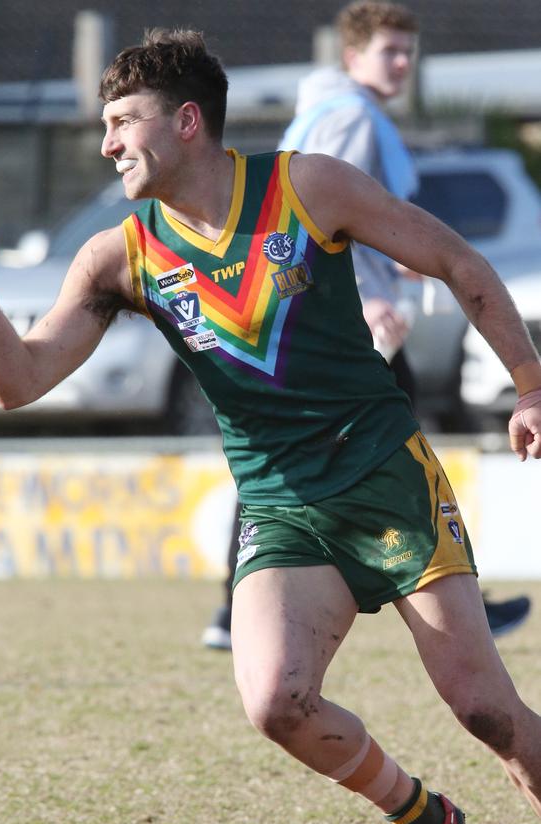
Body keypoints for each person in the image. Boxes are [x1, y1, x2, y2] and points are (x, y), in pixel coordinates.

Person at [0, 28, 541, 824]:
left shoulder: (308, 186)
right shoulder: (121, 253)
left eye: (120, 122)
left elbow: (457, 263)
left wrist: (532, 387)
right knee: (273, 702)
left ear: (187, 122)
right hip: (281, 505)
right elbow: (17, 382)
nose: (107, 144)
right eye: (104, 126)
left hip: (385, 476)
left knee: (490, 713)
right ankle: (423, 823)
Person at [204, 1, 531, 651]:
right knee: (388, 445)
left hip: (332, 313)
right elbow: (321, 217)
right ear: (352, 57)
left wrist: (391, 270)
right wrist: (366, 293)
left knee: (291, 450)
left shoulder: (333, 111)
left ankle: (229, 610)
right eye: (389, 50)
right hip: (349, 323)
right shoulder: (352, 117)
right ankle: (456, 596)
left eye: (410, 49)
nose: (404, 62)